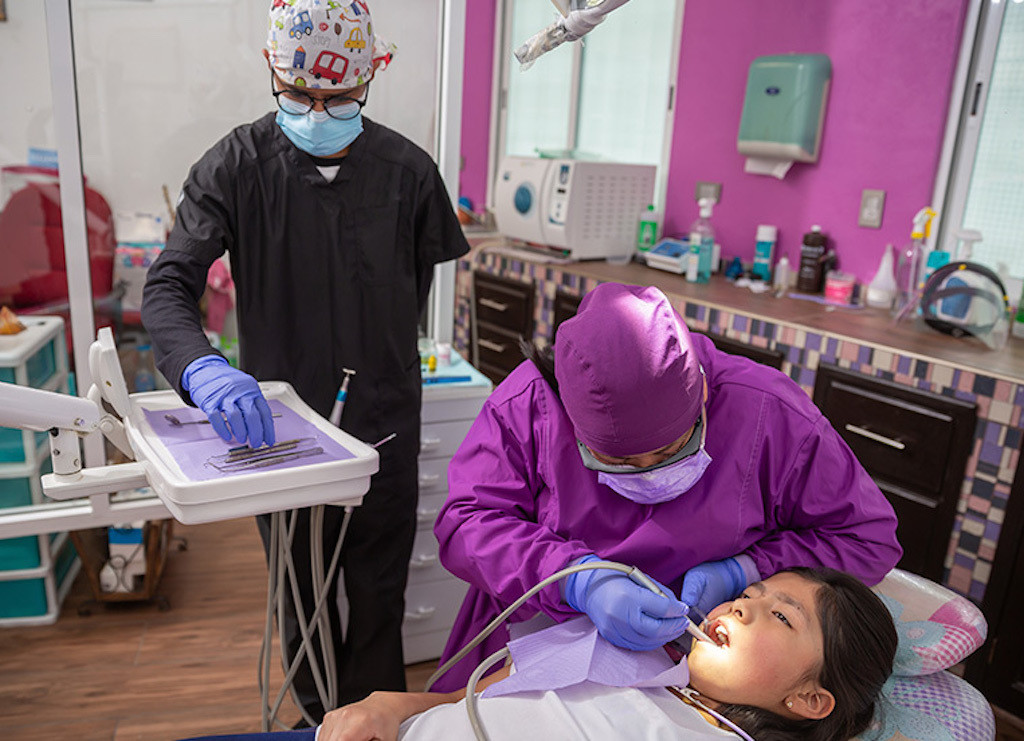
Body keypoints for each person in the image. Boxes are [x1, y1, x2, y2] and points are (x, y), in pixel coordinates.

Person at [141, 0, 469, 724]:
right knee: (300, 587)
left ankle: (377, 720)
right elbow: (168, 285)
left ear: (370, 79)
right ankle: (321, 719)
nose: (318, 111)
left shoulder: (409, 174)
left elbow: (414, 290)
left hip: (382, 421)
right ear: (271, 72)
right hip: (279, 431)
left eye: (338, 97)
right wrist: (201, 366)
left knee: (377, 591)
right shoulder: (234, 165)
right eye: (300, 95)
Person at [432, 282, 902, 690]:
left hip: (682, 662)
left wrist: (747, 570)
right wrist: (576, 580)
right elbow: (466, 522)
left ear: (700, 391)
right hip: (529, 636)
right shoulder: (530, 404)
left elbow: (866, 538)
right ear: (569, 419)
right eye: (616, 461)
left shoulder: (770, 414)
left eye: (671, 450)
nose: (648, 474)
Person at [315, 567, 898, 740]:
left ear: (810, 698)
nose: (740, 607)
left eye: (780, 616)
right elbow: (466, 699)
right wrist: (395, 706)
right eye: (748, 593)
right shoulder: (635, 656)